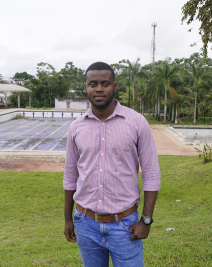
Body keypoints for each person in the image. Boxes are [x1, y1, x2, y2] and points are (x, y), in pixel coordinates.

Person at [63, 61, 161, 267]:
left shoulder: (136, 122)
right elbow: (70, 176)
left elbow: (151, 174)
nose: (99, 88)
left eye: (105, 83)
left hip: (125, 225)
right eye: (93, 84)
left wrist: (146, 220)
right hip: (85, 222)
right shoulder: (76, 128)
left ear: (114, 86)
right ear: (86, 87)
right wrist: (68, 219)